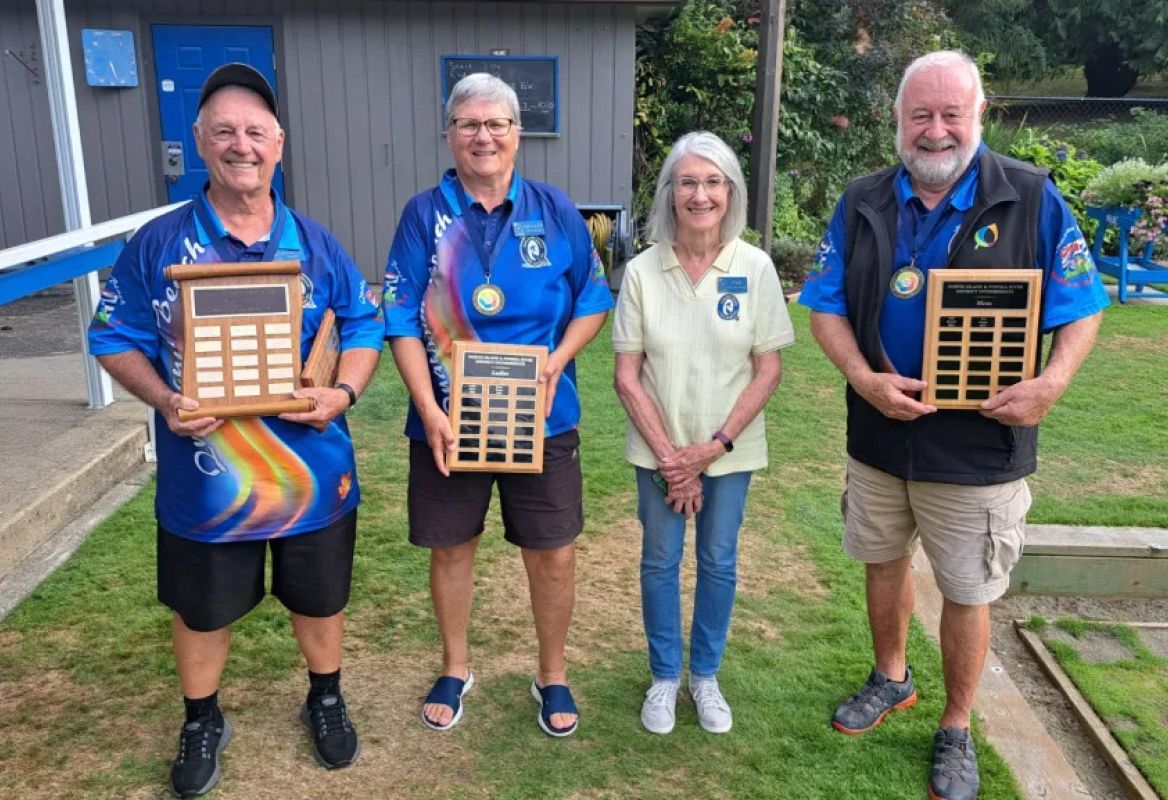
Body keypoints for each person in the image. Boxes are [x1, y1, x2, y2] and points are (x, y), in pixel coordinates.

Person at [797, 51, 1108, 800]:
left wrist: (1050, 386)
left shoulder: (1031, 198)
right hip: (880, 434)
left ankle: (958, 724)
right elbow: (825, 306)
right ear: (898, 121)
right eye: (920, 116)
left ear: (979, 116)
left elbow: (1083, 306)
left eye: (950, 115)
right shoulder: (862, 198)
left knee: (968, 590)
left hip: (977, 448)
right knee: (882, 561)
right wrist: (863, 378)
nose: (934, 131)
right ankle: (891, 676)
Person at [88, 63, 383, 797]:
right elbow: (111, 333)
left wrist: (343, 392)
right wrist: (163, 397)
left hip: (312, 476)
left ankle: (325, 697)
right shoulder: (157, 244)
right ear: (199, 142)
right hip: (206, 479)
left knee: (320, 599)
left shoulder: (315, 243)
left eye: (255, 132)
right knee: (202, 608)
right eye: (224, 130)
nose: (240, 145)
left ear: (278, 144)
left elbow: (366, 321)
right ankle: (201, 717)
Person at [382, 73, 612, 738]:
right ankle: (456, 666)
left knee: (554, 552)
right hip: (448, 418)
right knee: (452, 547)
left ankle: (553, 672)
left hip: (541, 416)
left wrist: (557, 362)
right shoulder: (424, 215)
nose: (483, 135)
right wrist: (428, 410)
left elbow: (593, 300)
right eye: (469, 124)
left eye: (497, 124)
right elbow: (399, 317)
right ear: (450, 134)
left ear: (517, 134)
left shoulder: (555, 209)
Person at [612, 132, 794, 736]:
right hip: (658, 452)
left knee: (718, 561)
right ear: (669, 194)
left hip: (728, 451)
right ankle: (665, 677)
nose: (700, 194)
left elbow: (768, 367)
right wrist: (672, 460)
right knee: (660, 562)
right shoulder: (641, 271)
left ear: (731, 192)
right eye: (688, 182)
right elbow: (627, 375)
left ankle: (705, 676)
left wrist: (711, 449)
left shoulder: (754, 266)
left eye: (713, 182)